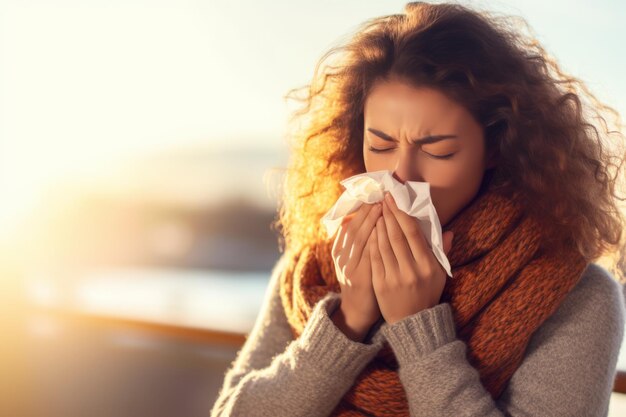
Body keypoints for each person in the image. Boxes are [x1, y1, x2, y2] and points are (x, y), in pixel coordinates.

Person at [211, 2, 626, 416]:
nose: (400, 175)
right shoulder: (315, 268)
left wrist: (420, 330)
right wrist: (347, 320)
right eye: (381, 145)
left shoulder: (576, 295)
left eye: (439, 150)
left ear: (495, 149)